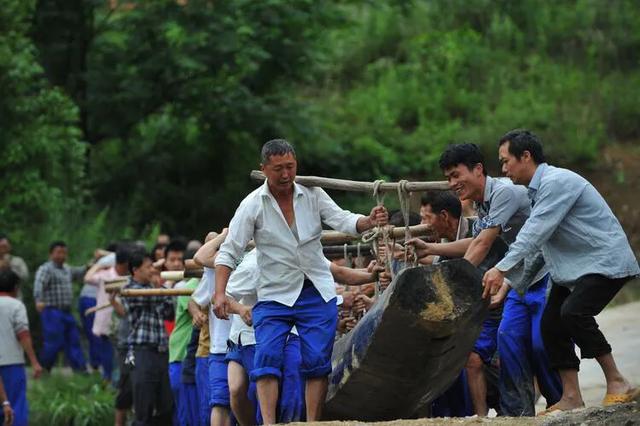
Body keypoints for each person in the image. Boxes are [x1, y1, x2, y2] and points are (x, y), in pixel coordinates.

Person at [213, 139, 388, 423]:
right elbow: (230, 249)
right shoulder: (252, 204)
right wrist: (220, 292)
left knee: (316, 362)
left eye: (290, 167)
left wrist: (367, 222)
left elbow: (341, 219)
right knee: (266, 358)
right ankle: (269, 423)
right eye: (278, 169)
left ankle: (312, 422)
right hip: (273, 293)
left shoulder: (312, 192)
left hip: (317, 289)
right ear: (264, 169)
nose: (285, 175)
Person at [483, 129, 640, 413]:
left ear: (526, 156)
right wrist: (508, 282)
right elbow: (538, 249)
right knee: (551, 325)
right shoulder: (536, 191)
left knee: (573, 314)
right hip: (574, 269)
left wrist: (500, 268)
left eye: (506, 161)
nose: (503, 169)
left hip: (603, 261)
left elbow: (532, 234)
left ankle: (618, 381)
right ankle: (571, 396)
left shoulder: (556, 182)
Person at [410, 143, 562, 416]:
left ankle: (561, 403)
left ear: (478, 169)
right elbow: (477, 240)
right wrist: (432, 248)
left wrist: (453, 285)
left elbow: (482, 243)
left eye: (456, 175)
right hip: (518, 279)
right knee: (509, 338)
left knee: (542, 342)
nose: (452, 183)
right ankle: (518, 415)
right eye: (448, 178)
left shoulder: (504, 192)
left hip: (545, 273)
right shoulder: (483, 203)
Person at [122, 251, 174, 425]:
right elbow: (151, 298)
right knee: (144, 407)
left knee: (166, 406)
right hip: (142, 351)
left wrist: (159, 287)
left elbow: (169, 310)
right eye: (148, 267)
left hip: (161, 351)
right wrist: (159, 286)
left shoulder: (154, 287)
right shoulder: (129, 289)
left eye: (153, 266)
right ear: (135, 270)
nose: (152, 270)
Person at [33, 241, 87, 372]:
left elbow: (80, 272)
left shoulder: (67, 269)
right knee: (53, 342)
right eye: (58, 252)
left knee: (73, 340)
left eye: (64, 253)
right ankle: (45, 368)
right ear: (51, 254)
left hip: (66, 311)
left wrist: (92, 265)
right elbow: (39, 285)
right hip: (51, 311)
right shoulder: (46, 269)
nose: (61, 256)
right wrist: (38, 300)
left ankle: (80, 369)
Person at [0, 269, 43, 426]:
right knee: (16, 407)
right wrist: (34, 361)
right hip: (11, 364)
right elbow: (23, 334)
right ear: (16, 287)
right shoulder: (16, 305)